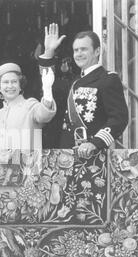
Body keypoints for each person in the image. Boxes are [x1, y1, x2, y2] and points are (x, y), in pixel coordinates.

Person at [39, 24, 129, 158]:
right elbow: (48, 83)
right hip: (67, 155)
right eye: (76, 50)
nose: (78, 54)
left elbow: (119, 118)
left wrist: (95, 143)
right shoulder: (73, 81)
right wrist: (49, 51)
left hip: (94, 155)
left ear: (97, 51)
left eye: (83, 49)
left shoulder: (108, 79)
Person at [0, 62, 56, 151]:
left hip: (27, 164)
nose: (10, 86)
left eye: (14, 81)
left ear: (20, 86)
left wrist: (47, 90)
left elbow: (44, 114)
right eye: (5, 82)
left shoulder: (30, 105)